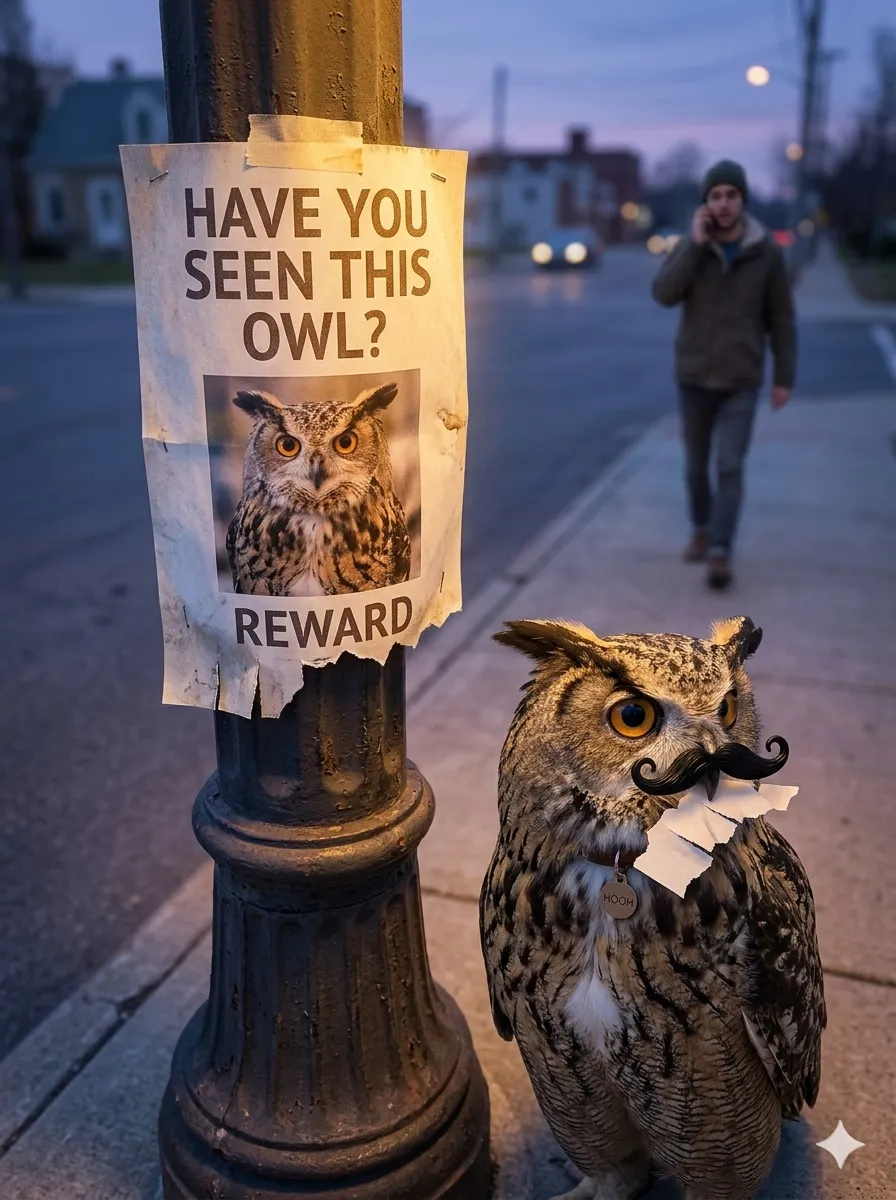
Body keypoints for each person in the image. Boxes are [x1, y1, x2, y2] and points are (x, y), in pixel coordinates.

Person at [651, 159, 796, 589]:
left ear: (743, 200)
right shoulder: (691, 247)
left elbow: (782, 319)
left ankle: (720, 550)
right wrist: (693, 246)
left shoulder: (766, 252)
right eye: (716, 196)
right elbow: (663, 294)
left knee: (729, 465)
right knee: (696, 468)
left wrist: (784, 376)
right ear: (706, 204)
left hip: (741, 378)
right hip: (694, 376)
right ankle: (701, 528)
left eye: (731, 195)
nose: (724, 203)